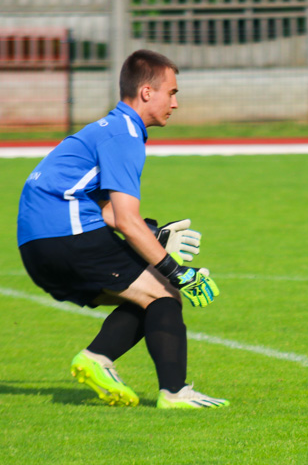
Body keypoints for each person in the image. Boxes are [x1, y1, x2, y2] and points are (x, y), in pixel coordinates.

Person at [17, 49, 228, 409]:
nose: (175, 103)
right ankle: (172, 393)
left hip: (38, 246)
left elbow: (112, 215)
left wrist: (154, 237)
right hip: (67, 235)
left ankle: (99, 359)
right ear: (147, 92)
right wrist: (178, 271)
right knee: (165, 291)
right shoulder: (126, 133)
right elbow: (127, 221)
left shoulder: (105, 128)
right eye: (172, 93)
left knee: (148, 294)